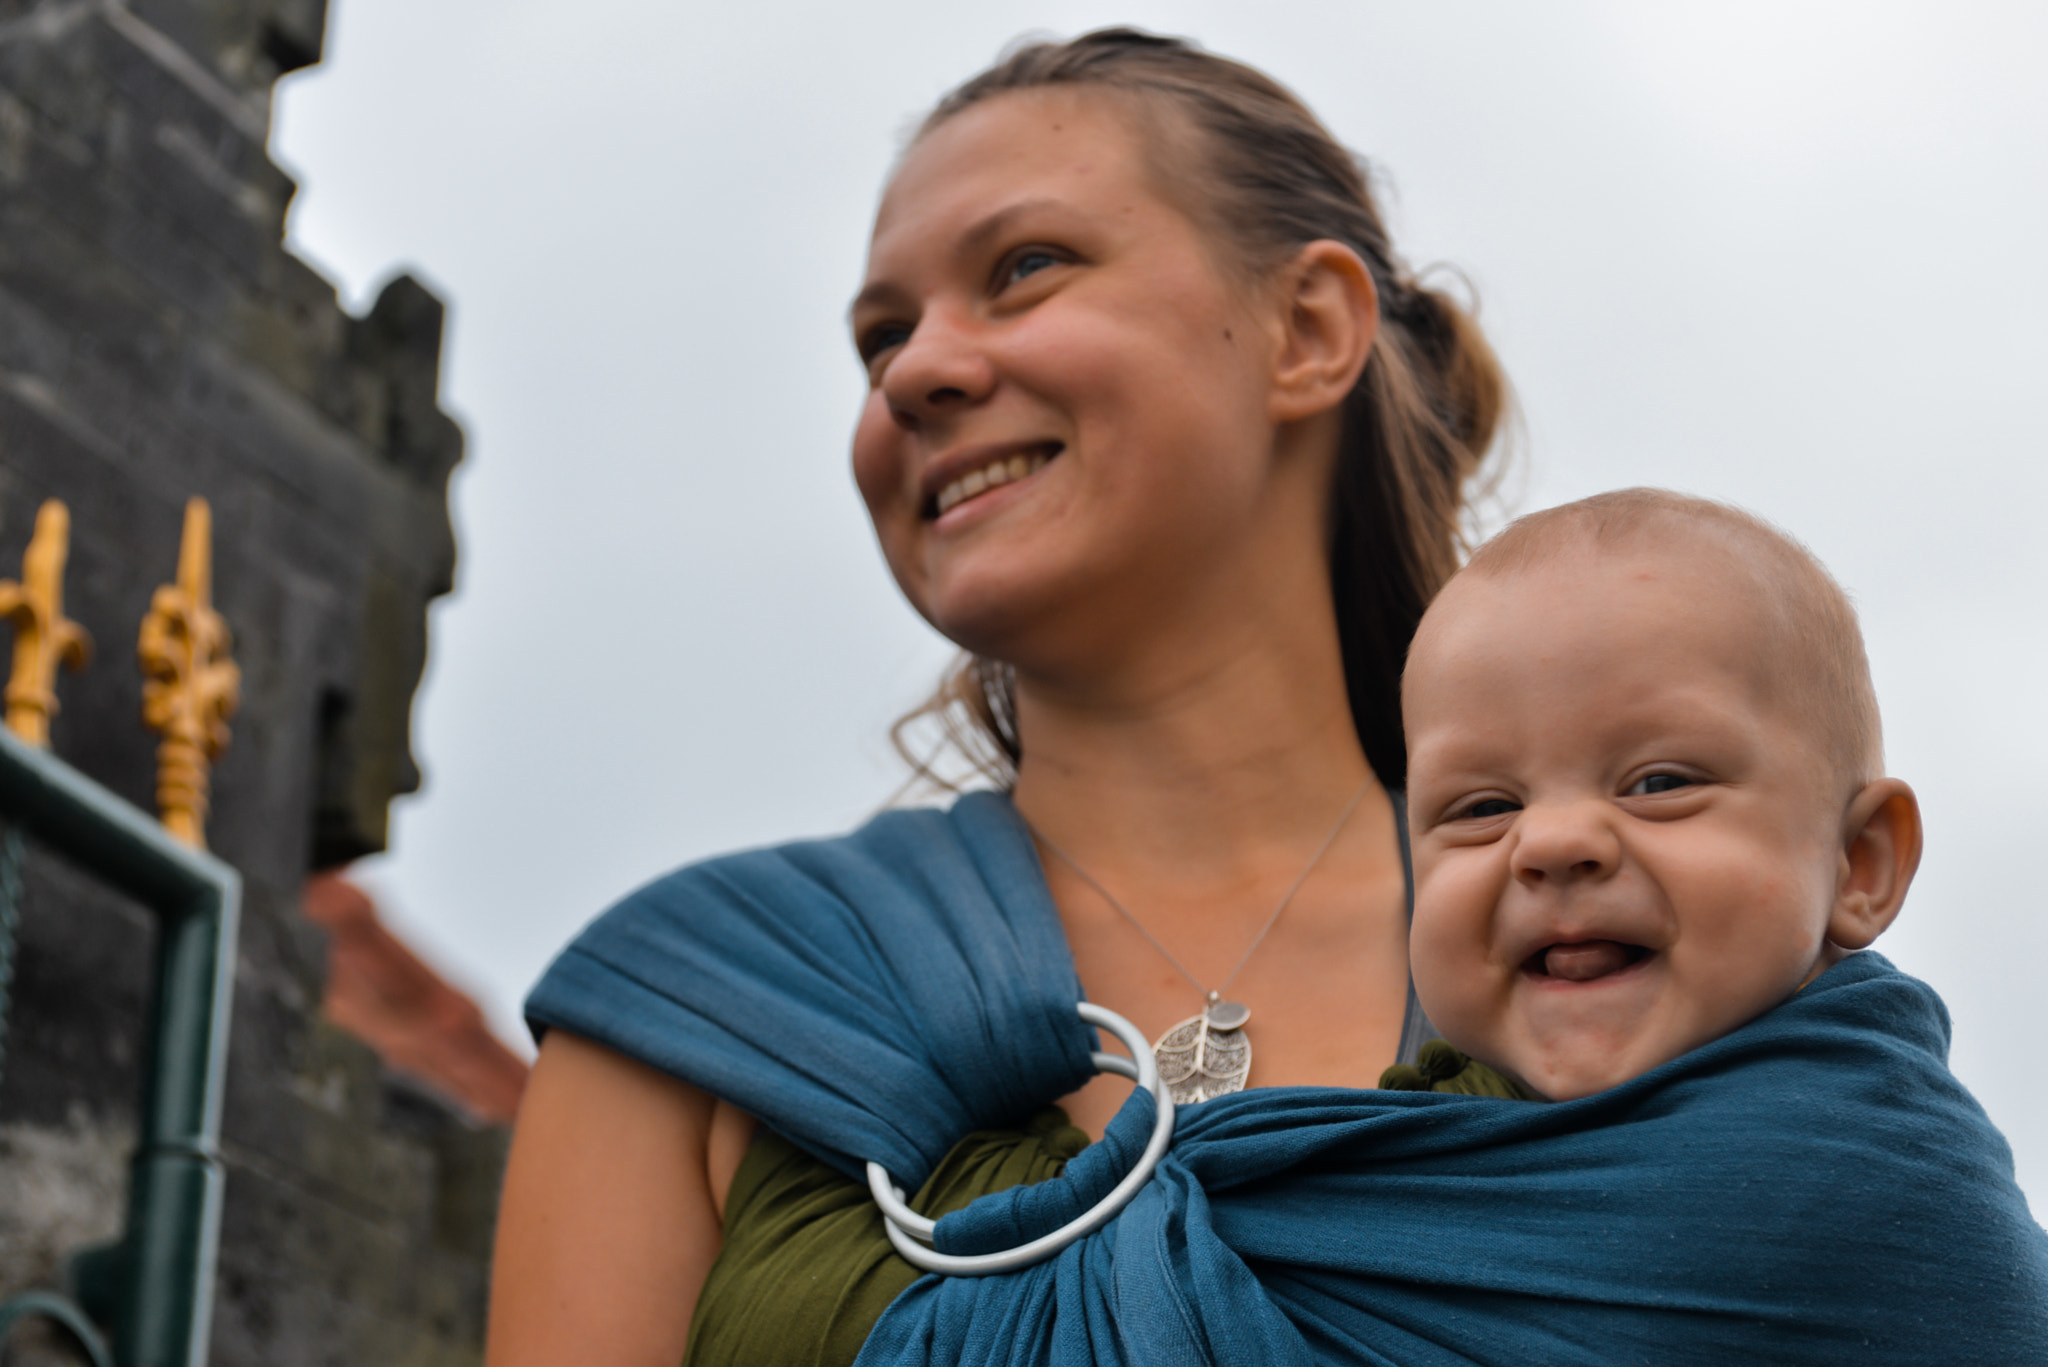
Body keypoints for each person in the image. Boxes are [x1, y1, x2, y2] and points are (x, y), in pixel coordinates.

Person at [488, 27, 1505, 1367]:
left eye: (1025, 269)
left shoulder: (1642, 933)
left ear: (1307, 330)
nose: (912, 371)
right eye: (880, 337)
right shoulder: (704, 1008)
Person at [1394, 488, 1922, 1099]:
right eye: (1486, 809)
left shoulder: (1879, 1154)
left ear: (1860, 861)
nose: (1552, 841)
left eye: (1659, 784)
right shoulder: (1387, 1148)